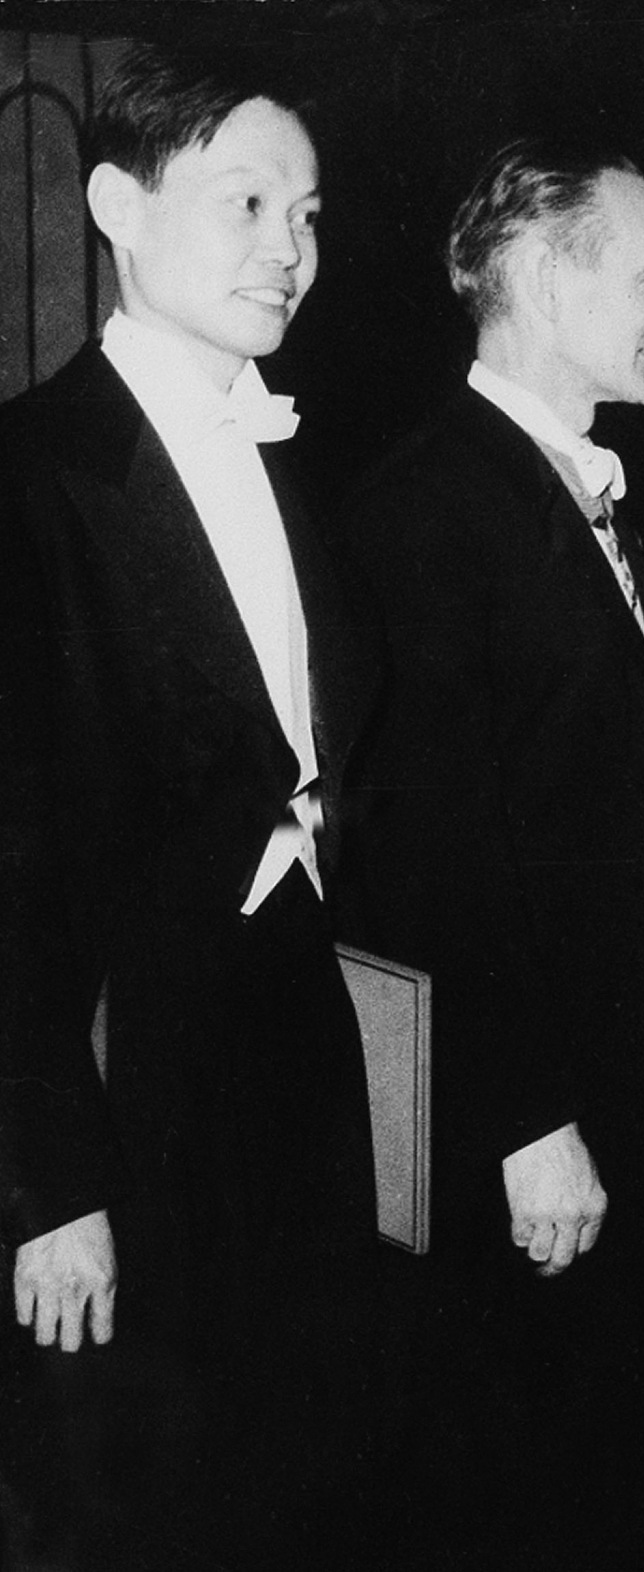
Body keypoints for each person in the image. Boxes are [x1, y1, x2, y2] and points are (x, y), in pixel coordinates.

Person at [0, 41, 382, 1567]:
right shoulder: (29, 477)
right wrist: (44, 1186)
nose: (289, 247)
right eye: (246, 201)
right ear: (113, 204)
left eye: (308, 211)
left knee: (297, 1493)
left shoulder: (298, 471)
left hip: (292, 1053)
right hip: (114, 1077)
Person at [337, 136, 644, 1568]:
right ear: (550, 280)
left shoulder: (570, 488)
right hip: (540, 1102)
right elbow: (427, 855)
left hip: (631, 1064)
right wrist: (524, 1119)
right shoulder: (429, 502)